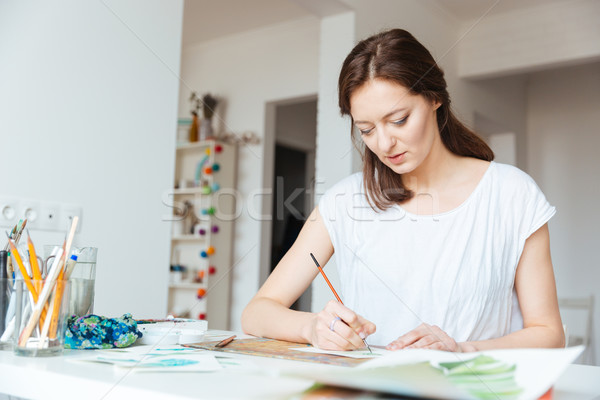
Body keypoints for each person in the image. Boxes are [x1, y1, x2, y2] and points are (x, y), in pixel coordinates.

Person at [241, 28, 564, 352]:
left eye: (399, 120)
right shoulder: (345, 202)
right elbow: (257, 313)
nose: (383, 144)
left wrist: (463, 350)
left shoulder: (512, 194)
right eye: (366, 129)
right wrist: (312, 327)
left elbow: (549, 334)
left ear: (435, 97)